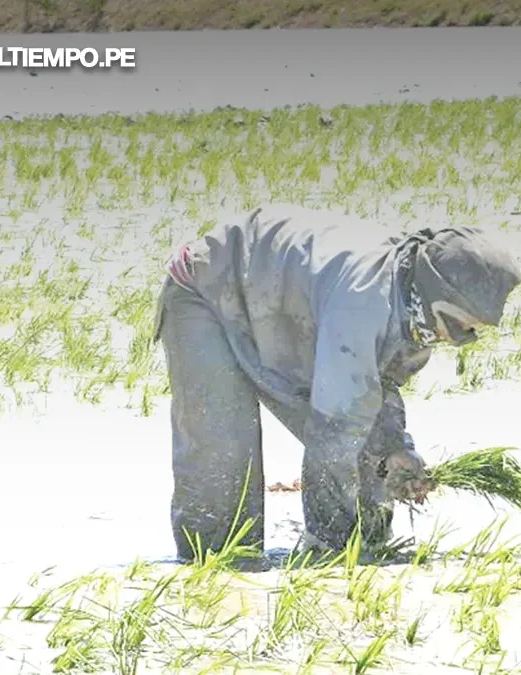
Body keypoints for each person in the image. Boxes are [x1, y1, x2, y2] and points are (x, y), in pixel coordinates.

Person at [151, 205, 521, 563]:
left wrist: (395, 449)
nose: (464, 338)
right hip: (207, 293)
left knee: (370, 452)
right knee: (223, 463)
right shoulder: (364, 300)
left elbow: (376, 391)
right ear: (441, 299)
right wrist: (331, 548)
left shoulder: (412, 309)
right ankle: (213, 568)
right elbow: (335, 430)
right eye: (464, 326)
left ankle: (365, 544)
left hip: (280, 313)